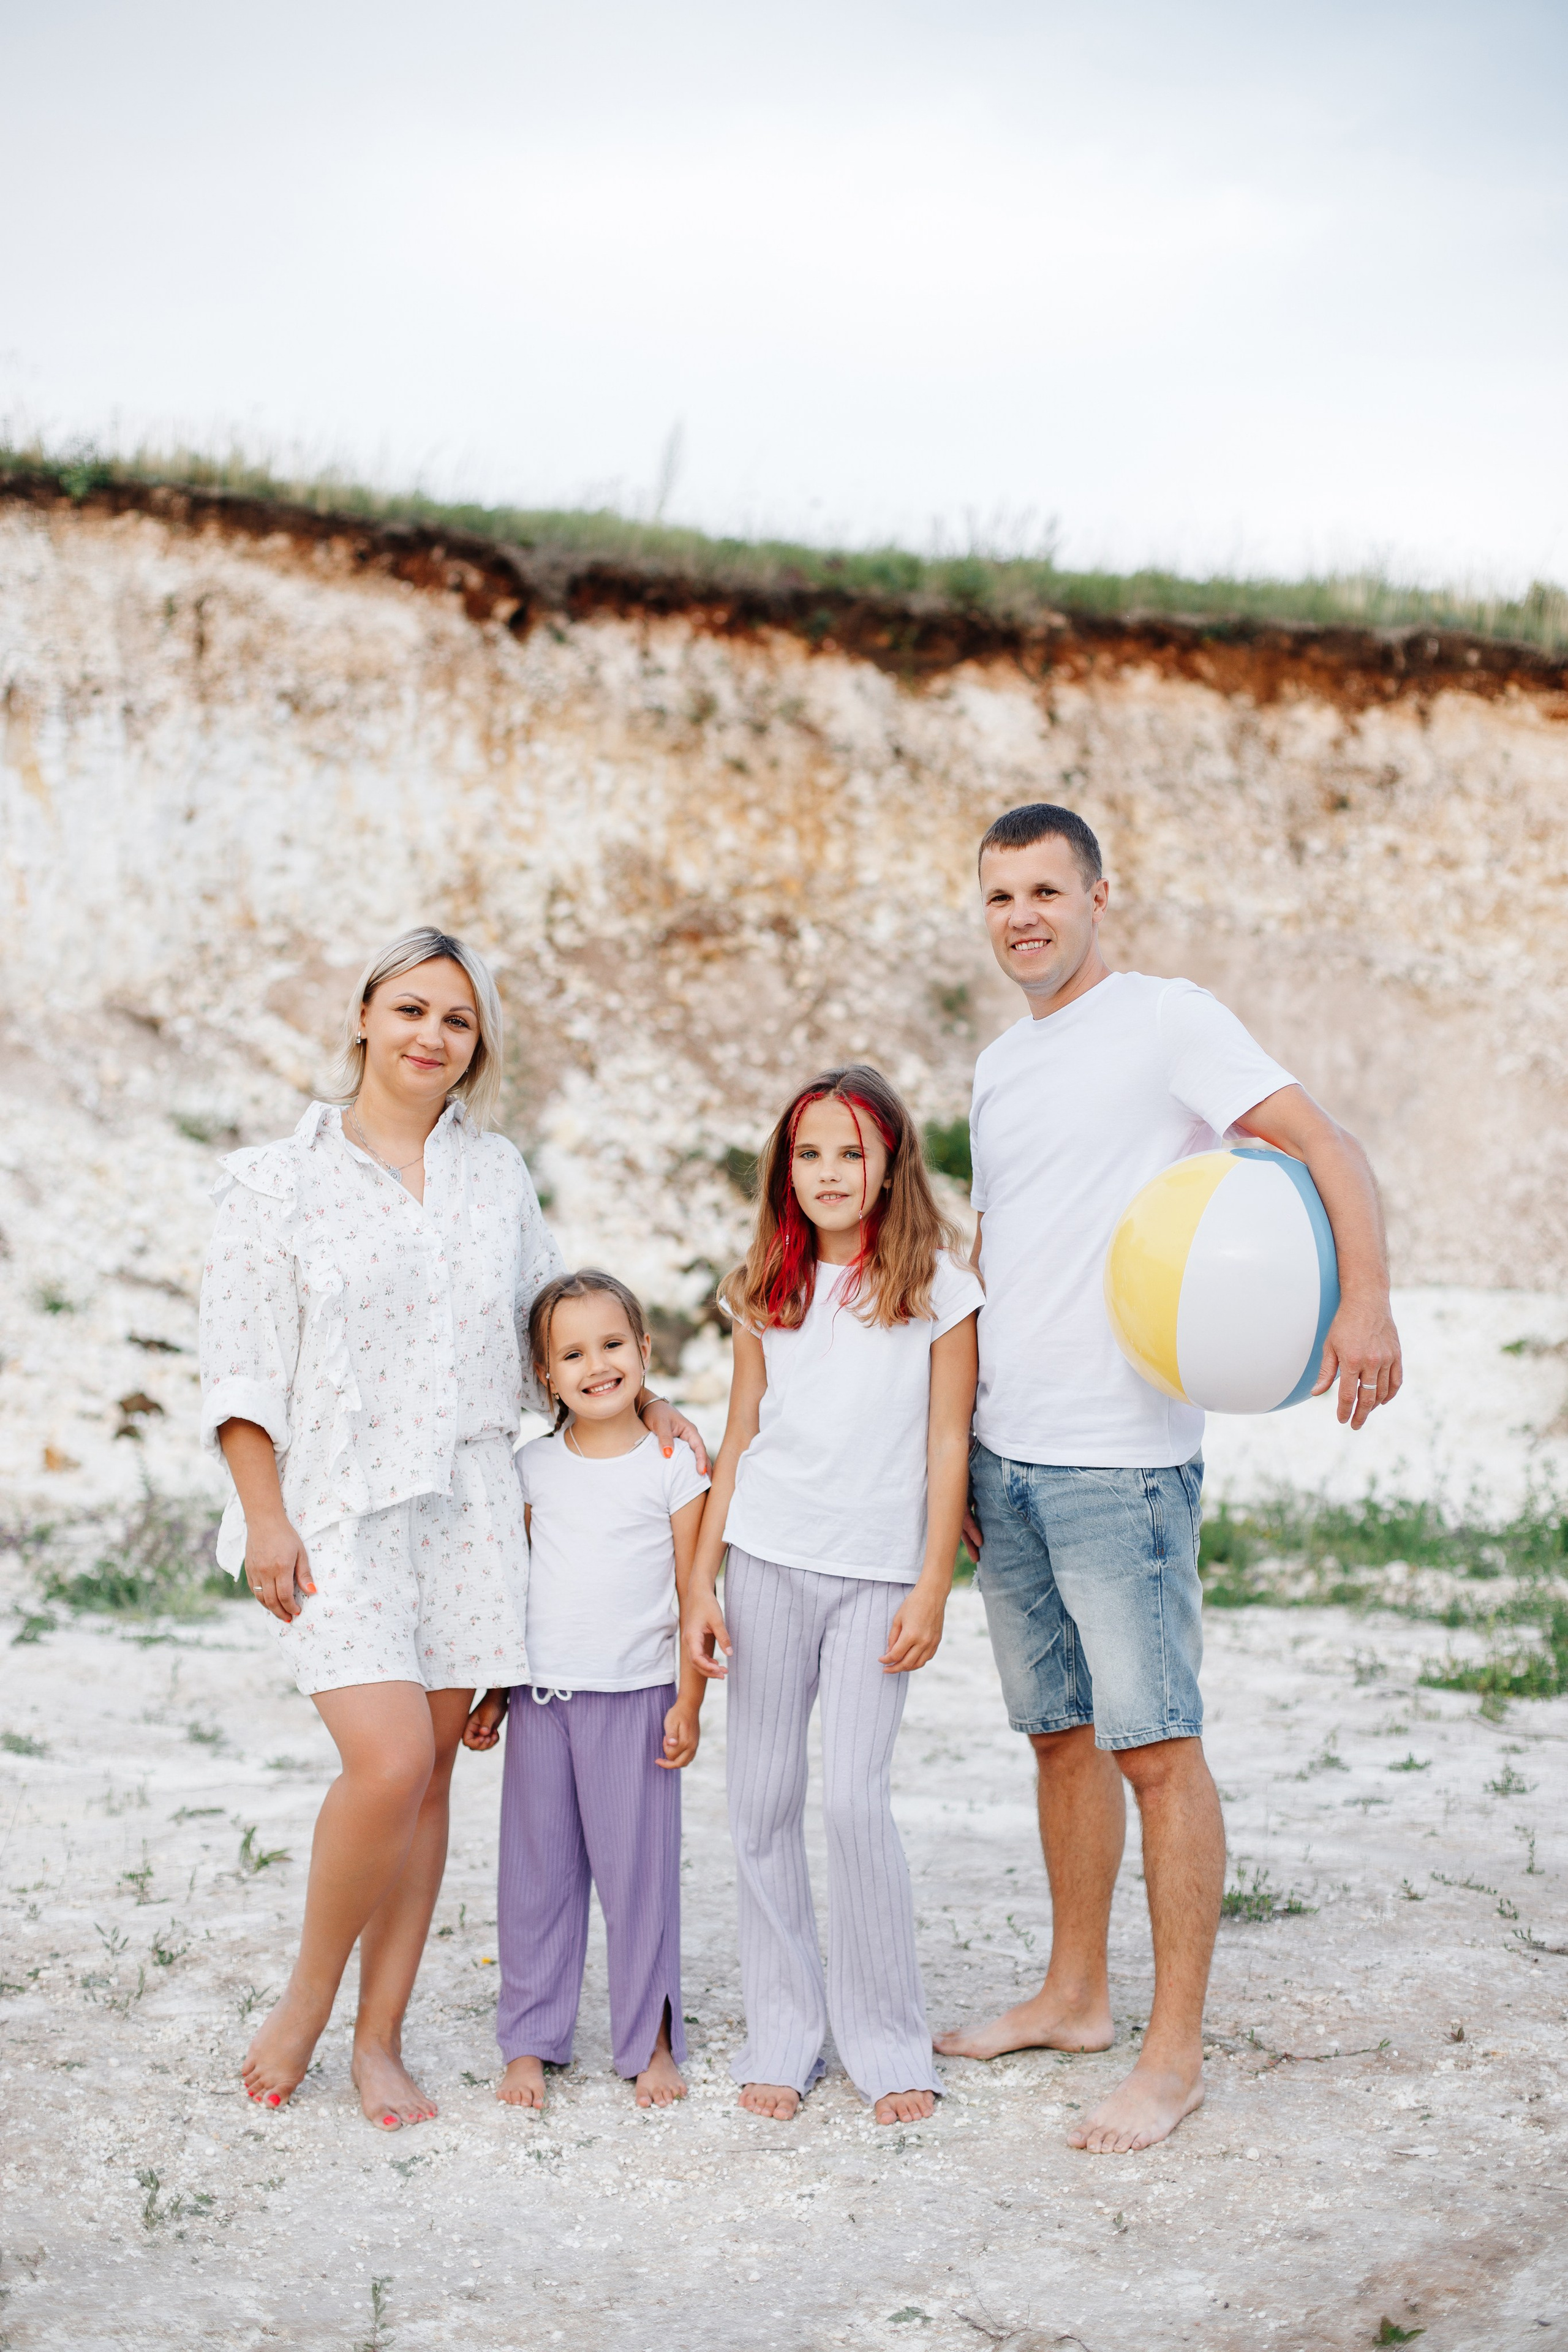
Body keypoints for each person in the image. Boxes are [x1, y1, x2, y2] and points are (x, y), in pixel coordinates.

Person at [932, 804, 1402, 2155]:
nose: (1020, 915)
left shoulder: (1165, 1019)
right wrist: (957, 1447)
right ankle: (1074, 1996)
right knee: (1056, 1738)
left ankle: (1170, 2054)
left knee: (1155, 1750)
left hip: (1122, 1464)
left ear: (1095, 896)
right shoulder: (996, 1066)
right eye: (998, 895)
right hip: (1009, 1455)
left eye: (1044, 890)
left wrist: (1360, 1306)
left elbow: (1327, 1148)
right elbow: (994, 1248)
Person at [199, 926, 706, 2130]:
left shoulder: (498, 1176)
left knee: (427, 1784)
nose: (432, 1036)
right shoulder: (270, 1182)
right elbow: (238, 1370)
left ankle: (381, 2043)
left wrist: (644, 1391)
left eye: (458, 1021)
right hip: (338, 1512)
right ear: (365, 1015)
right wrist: (264, 1516)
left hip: (477, 1511)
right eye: (412, 1009)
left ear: (477, 1047)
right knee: (383, 1762)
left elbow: (551, 1326)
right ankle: (307, 2007)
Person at [685, 1065, 982, 2125]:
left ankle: (888, 2039)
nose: (827, 1172)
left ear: (890, 1159)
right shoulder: (766, 1281)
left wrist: (935, 1583)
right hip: (765, 1556)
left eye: (850, 1152)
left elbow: (950, 1442)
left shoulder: (942, 1286)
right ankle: (784, 2029)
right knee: (761, 1802)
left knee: (855, 1802)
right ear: (785, 1167)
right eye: (808, 1153)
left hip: (877, 1576)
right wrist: (701, 1584)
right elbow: (740, 1435)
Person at [462, 1270, 710, 2111]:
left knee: (638, 1878)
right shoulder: (531, 1469)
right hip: (541, 1702)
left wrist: (690, 1703)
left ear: (644, 1352)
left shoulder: (673, 1464)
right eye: (572, 1354)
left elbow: (692, 1596)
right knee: (536, 1878)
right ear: (545, 1376)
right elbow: (512, 1588)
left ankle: (652, 2041)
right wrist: (496, 1693)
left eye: (612, 1346)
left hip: (637, 1698)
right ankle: (529, 2041)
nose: (596, 1366)